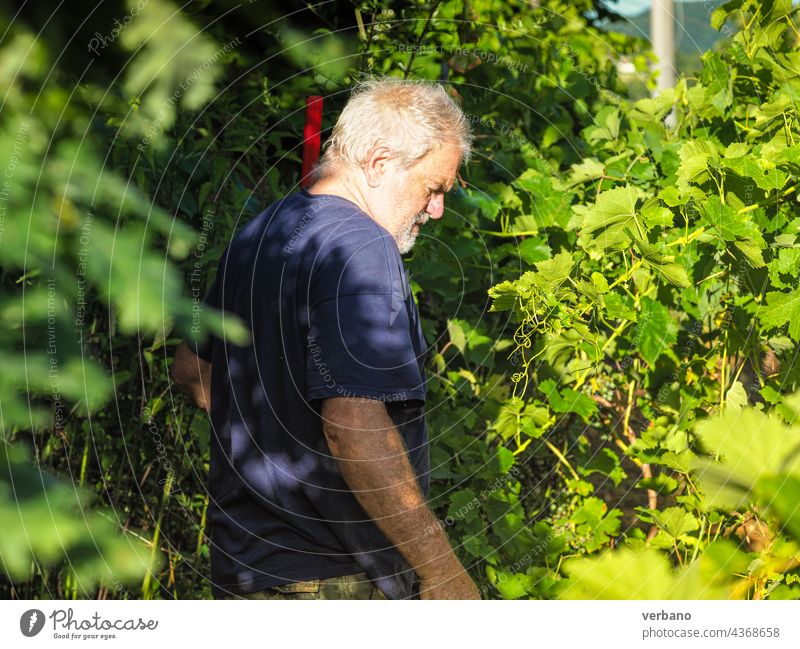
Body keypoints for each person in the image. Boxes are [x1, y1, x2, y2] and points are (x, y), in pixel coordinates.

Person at [170, 78, 479, 600]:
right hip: (332, 580)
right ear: (379, 162)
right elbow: (354, 423)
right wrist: (441, 569)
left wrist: (275, 446)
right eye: (434, 188)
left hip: (244, 569)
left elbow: (190, 370)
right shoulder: (363, 247)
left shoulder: (259, 233)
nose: (436, 210)